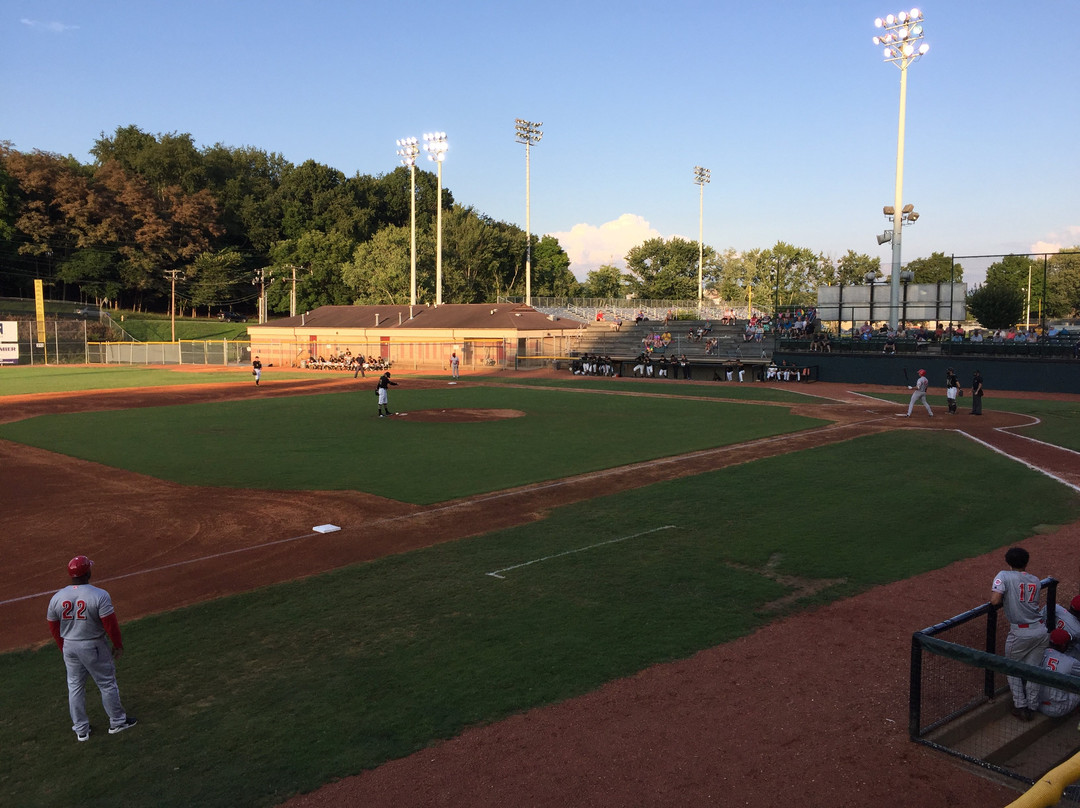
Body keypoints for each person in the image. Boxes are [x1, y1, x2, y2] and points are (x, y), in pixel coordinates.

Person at [46, 556, 137, 742]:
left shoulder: (57, 597)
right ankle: (118, 722)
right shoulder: (99, 595)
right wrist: (117, 644)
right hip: (93, 645)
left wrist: (63, 647)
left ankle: (81, 730)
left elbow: (53, 625)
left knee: (75, 687)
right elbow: (110, 624)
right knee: (106, 683)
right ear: (88, 572)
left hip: (70, 646)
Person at [990, 547, 1049, 721]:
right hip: (1041, 631)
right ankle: (1032, 706)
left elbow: (994, 600)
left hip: (1021, 633)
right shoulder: (1036, 580)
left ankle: (1021, 706)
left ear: (1008, 562)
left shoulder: (1004, 575)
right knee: (1032, 670)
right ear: (1026, 562)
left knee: (1011, 667)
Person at [1036, 630, 1080, 718]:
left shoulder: (1039, 653)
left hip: (1037, 703)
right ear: (1063, 645)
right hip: (1057, 709)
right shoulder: (1071, 662)